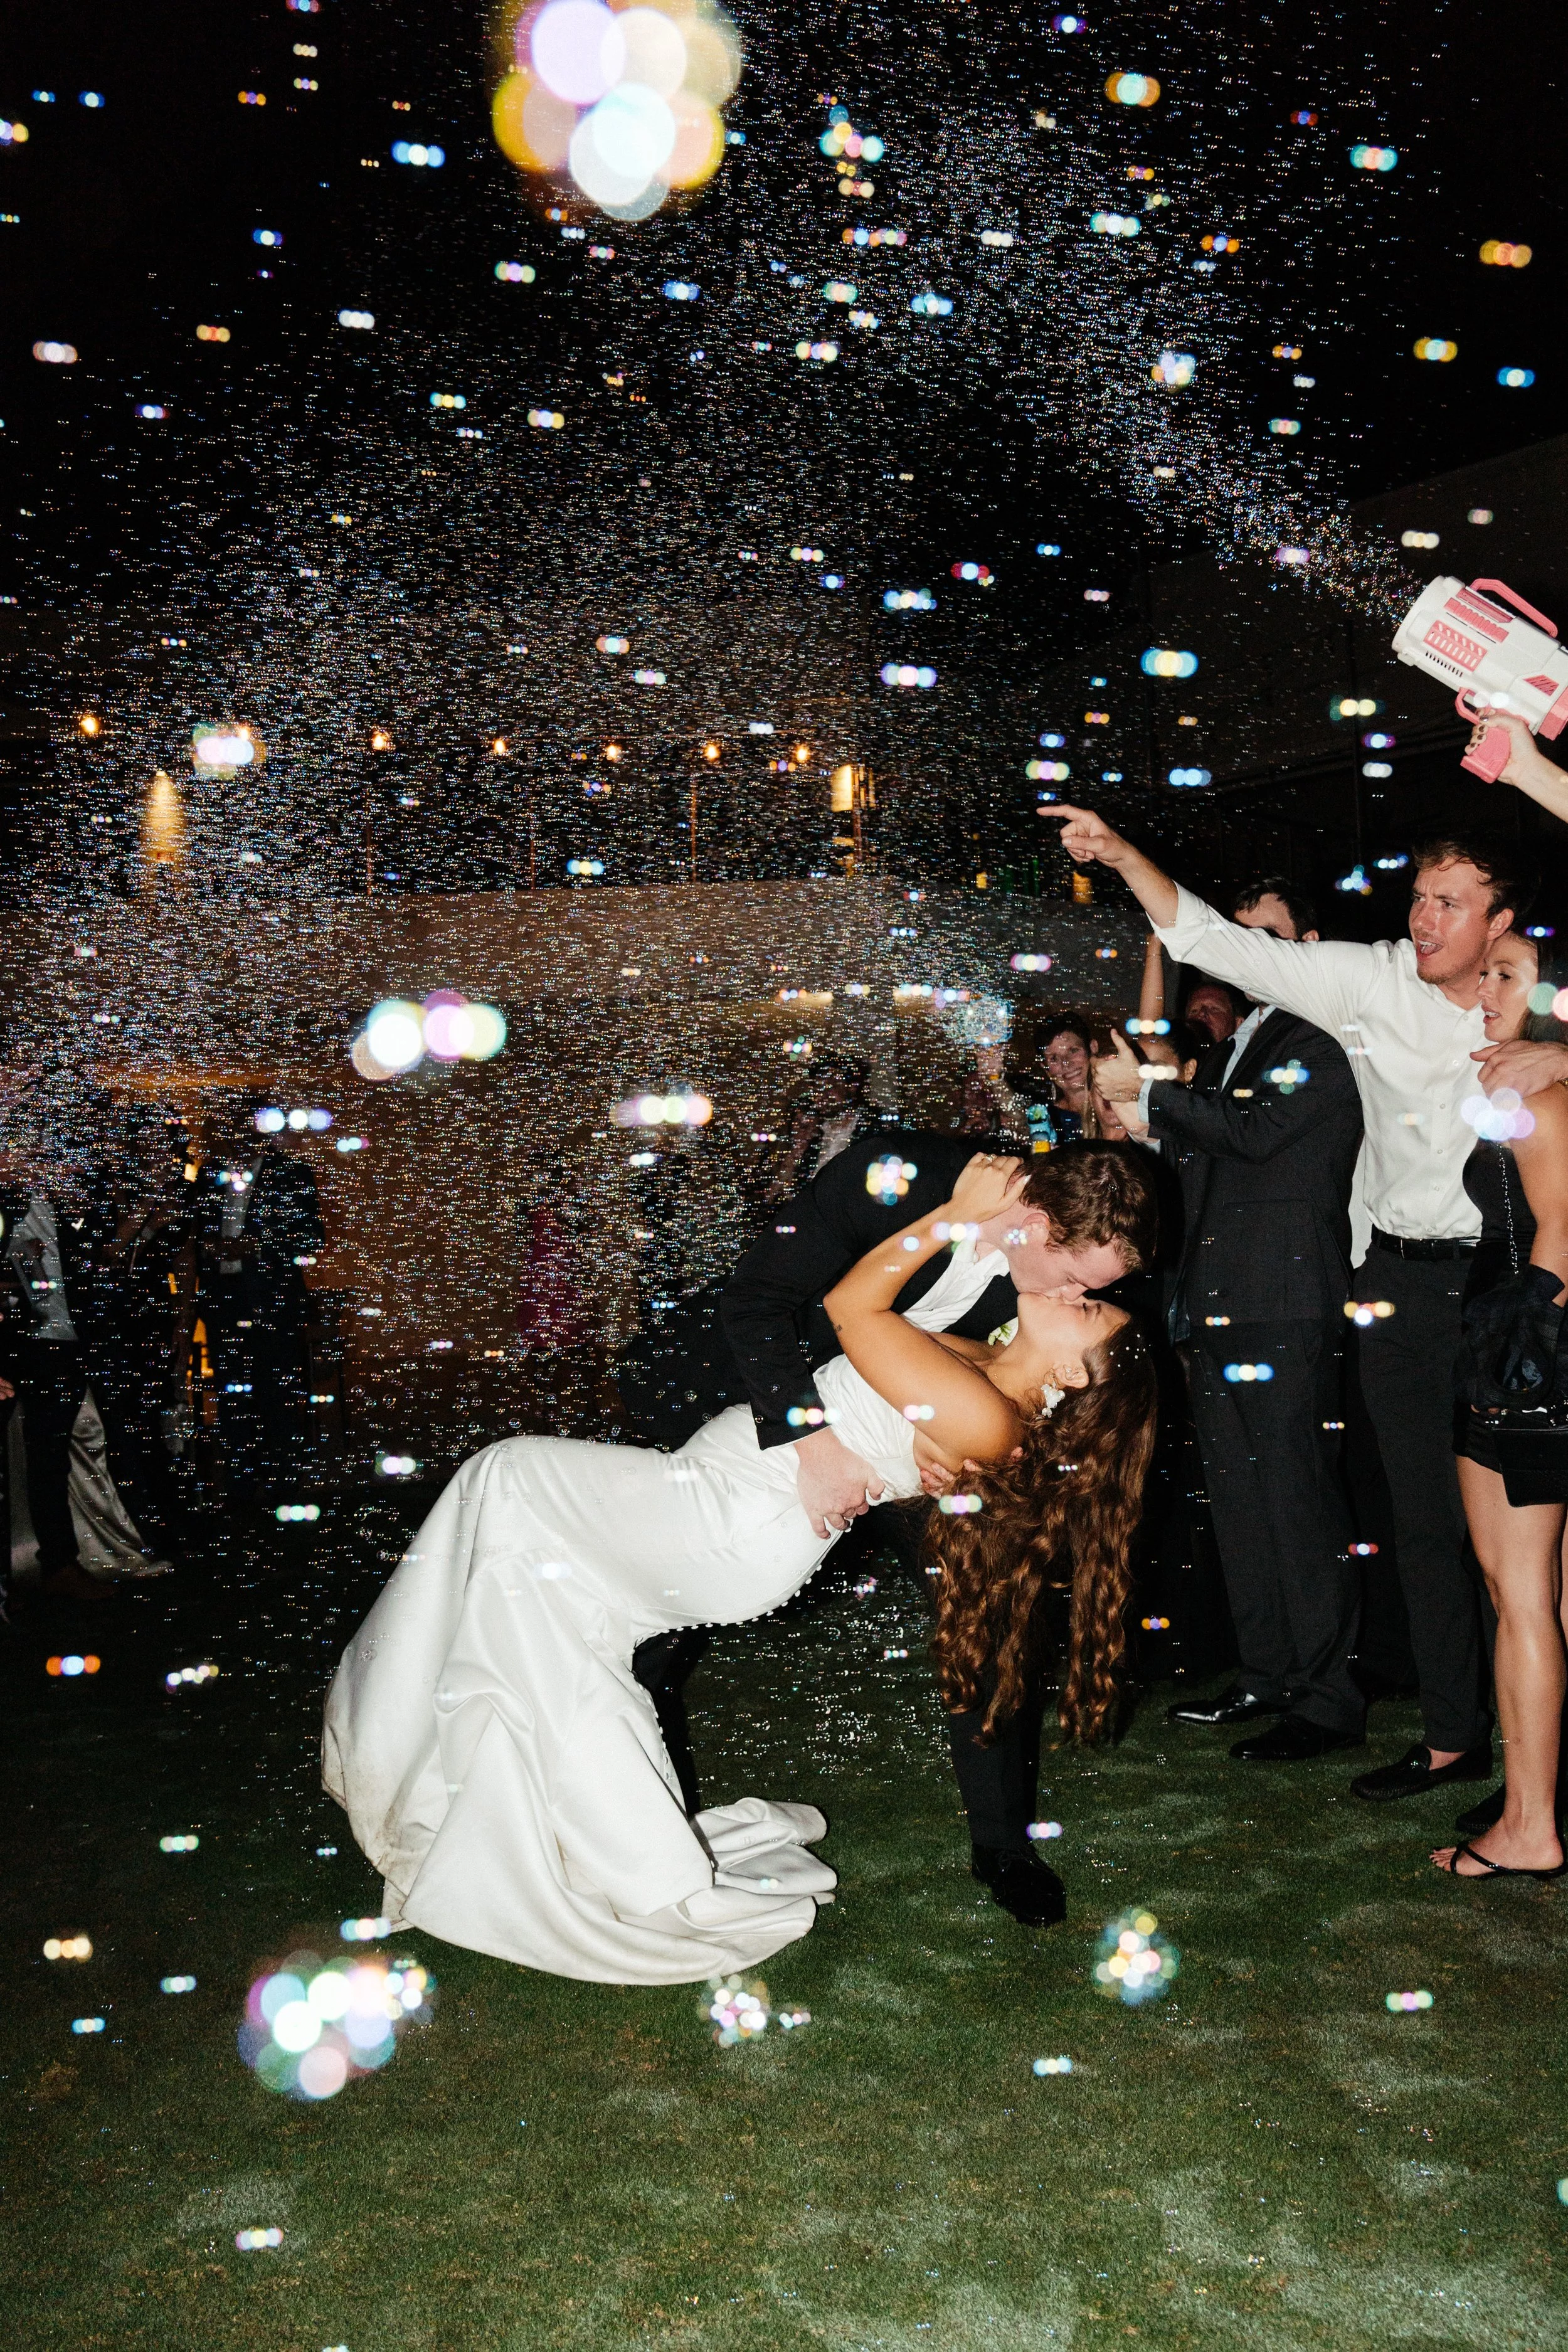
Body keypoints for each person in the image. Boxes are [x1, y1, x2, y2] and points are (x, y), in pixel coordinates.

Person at [322, 1153, 1157, 1983]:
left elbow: (859, 1312)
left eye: (1090, 1305)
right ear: (1043, 1225)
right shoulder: (933, 1252)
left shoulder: (992, 1381)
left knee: (504, 1478)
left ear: (1076, 1372)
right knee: (570, 1621)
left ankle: (396, 1732)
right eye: (1080, 1279)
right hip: (754, 1449)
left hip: (747, 1516)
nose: (1071, 1295)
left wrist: (955, 1237)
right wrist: (858, 1437)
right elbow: (777, 1308)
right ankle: (588, 1840)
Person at [1046, 802, 1525, 1806]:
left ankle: (1531, 1763)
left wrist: (1560, 1049)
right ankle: (1450, 1739)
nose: (1427, 916)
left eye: (1453, 901)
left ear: (1501, 919)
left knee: (1518, 1540)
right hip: (1395, 1280)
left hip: (1504, 1282)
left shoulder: (1541, 994)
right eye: (1420, 897)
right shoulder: (1369, 980)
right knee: (1424, 1525)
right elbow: (1213, 940)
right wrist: (1127, 854)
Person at [1096, 876, 1367, 1761]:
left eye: (1268, 933)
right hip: (1213, 1306)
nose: (1246, 947)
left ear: (1313, 943)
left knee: (1296, 1501)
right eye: (1238, 933)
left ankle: (1327, 1699)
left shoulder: (1326, 1037)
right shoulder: (1238, 1046)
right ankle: (1268, 1670)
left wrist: (1155, 1096)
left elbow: (1252, 1133)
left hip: (1285, 1303)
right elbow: (1197, 1141)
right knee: (1245, 1504)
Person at [1434, 928, 1568, 1880]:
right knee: (1550, 1596)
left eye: (1508, 974)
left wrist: (1515, 1346)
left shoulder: (1543, 1098)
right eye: (1486, 970)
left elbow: (1565, 1231)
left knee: (1517, 1593)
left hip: (1529, 1360)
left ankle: (1529, 1826)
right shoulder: (1530, 1086)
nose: (1486, 986)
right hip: (1534, 1351)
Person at [193, 1096, 324, 1502]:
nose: (236, 1133)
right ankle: (242, 1486)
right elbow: (194, 1233)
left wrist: (258, 1246)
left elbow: (312, 1238)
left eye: (243, 1124)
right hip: (225, 1300)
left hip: (273, 1302)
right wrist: (211, 1247)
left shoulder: (291, 1174)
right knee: (234, 1394)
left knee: (277, 1396)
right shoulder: (210, 1176)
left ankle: (283, 1484)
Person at [1038, 1019, 1094, 1142]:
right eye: (1054, 1058)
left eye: (1073, 1051)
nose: (1066, 1063)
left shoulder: (1116, 1110)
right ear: (1045, 1067)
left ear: (1093, 1048)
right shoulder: (1046, 1121)